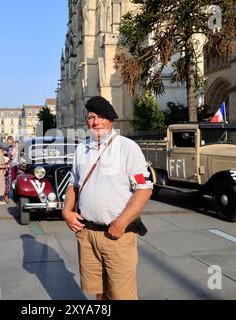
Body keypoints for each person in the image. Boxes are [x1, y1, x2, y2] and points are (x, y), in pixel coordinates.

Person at [62, 96, 153, 300]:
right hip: (88, 234)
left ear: (110, 121)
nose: (95, 122)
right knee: (99, 292)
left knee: (122, 296)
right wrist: (67, 211)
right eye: (91, 117)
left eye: (101, 117)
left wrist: (121, 223)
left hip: (117, 236)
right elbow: (73, 184)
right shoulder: (81, 149)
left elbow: (144, 188)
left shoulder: (127, 148)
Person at [4, 136, 18, 202]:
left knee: (10, 181)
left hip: (12, 166)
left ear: (12, 141)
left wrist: (7, 153)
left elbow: (12, 155)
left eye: (11, 141)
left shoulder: (14, 147)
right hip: (4, 165)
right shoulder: (4, 147)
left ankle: (7, 194)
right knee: (4, 180)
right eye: (8, 141)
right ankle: (5, 194)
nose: (9, 142)